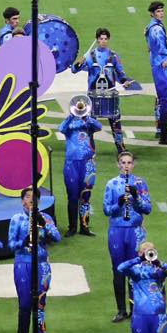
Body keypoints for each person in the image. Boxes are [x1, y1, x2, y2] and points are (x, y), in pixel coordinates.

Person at [8, 187, 61, 333]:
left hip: (42, 264)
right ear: (22, 200)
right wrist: (23, 242)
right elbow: (10, 244)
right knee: (24, 304)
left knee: (40, 303)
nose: (31, 199)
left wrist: (43, 223)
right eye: (28, 196)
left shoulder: (45, 217)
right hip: (23, 264)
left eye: (34, 197)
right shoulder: (16, 219)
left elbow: (57, 237)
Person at [103, 151, 151, 323]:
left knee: (136, 269)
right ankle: (121, 310)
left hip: (135, 231)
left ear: (133, 165)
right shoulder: (111, 184)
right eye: (123, 163)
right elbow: (107, 210)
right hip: (116, 230)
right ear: (118, 164)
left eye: (129, 163)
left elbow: (147, 209)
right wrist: (120, 203)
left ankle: (135, 309)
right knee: (118, 270)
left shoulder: (140, 183)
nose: (126, 166)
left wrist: (136, 197)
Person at [73, 28, 128, 154]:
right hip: (94, 95)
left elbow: (120, 72)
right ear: (97, 40)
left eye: (105, 39)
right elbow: (74, 70)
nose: (103, 41)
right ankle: (90, 150)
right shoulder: (89, 56)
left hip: (110, 94)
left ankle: (121, 149)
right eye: (101, 39)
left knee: (115, 122)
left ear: (108, 40)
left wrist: (124, 80)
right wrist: (79, 62)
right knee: (90, 124)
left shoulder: (113, 56)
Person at [58, 96, 101, 236]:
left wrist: (86, 117)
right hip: (71, 163)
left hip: (88, 163)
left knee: (86, 195)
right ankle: (72, 227)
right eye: (78, 107)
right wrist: (72, 115)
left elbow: (99, 126)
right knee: (72, 196)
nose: (80, 108)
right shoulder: (69, 124)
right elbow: (61, 128)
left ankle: (85, 227)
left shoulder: (88, 124)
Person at [145, 1, 167, 145]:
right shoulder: (156, 29)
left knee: (163, 99)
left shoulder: (153, 26)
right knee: (166, 100)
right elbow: (162, 49)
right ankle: (163, 135)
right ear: (152, 13)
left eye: (162, 11)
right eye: (158, 11)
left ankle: (162, 131)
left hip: (158, 65)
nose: (161, 13)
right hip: (162, 66)